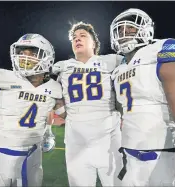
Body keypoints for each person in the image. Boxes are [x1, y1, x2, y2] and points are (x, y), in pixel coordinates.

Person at [110, 8, 175, 186]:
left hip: (162, 158)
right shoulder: (118, 70)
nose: (123, 32)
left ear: (145, 30)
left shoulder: (158, 51)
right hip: (129, 159)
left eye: (130, 28)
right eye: (120, 30)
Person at [0, 33, 65, 187]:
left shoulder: (55, 88)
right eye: (21, 52)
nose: (25, 57)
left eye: (32, 52)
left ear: (47, 57)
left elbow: (67, 115)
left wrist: (48, 133)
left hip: (32, 159)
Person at [52, 22, 123, 186]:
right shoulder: (62, 66)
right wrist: (64, 113)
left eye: (83, 36)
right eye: (74, 38)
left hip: (109, 137)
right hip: (76, 141)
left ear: (94, 42)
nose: (77, 39)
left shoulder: (112, 60)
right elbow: (50, 92)